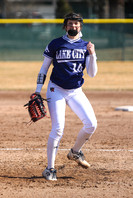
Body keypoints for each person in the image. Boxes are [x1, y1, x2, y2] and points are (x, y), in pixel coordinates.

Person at [35, 12, 98, 181]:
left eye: (76, 24)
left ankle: (75, 152)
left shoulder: (86, 46)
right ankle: (50, 169)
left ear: (80, 27)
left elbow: (91, 74)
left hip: (76, 91)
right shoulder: (56, 44)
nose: (73, 27)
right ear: (65, 26)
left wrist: (92, 54)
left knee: (91, 124)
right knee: (58, 128)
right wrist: (37, 90)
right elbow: (44, 69)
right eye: (70, 24)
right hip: (56, 89)